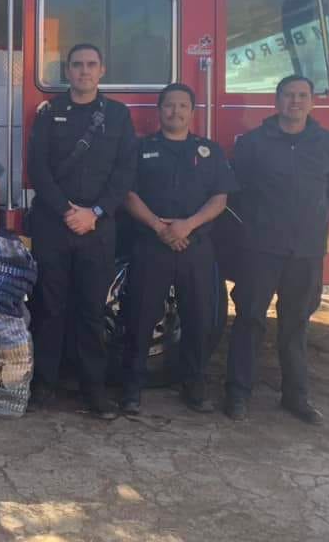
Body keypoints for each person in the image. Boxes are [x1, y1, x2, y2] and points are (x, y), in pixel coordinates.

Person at [224, 75, 329, 424]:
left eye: (302, 95)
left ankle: (296, 397)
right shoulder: (253, 143)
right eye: (289, 95)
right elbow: (238, 191)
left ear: (312, 101)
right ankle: (237, 395)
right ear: (276, 101)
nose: (295, 101)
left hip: (306, 251)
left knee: (296, 325)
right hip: (260, 248)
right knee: (249, 320)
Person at [27, 43, 137, 419]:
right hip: (53, 226)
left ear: (102, 70)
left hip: (98, 229)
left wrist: (96, 212)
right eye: (77, 65)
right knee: (50, 308)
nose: (84, 71)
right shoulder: (49, 112)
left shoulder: (119, 116)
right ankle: (45, 384)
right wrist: (66, 211)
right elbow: (37, 168)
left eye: (91, 65)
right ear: (67, 72)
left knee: (92, 311)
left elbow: (125, 173)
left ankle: (94, 390)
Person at [120, 83, 237, 415]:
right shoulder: (141, 149)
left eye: (182, 106)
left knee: (198, 318)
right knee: (140, 317)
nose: (175, 111)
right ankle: (131, 388)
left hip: (195, 246)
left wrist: (187, 225)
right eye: (169, 106)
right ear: (159, 111)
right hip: (150, 244)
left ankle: (194, 385)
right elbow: (128, 195)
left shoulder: (209, 151)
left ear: (192, 111)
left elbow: (220, 199)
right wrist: (160, 227)